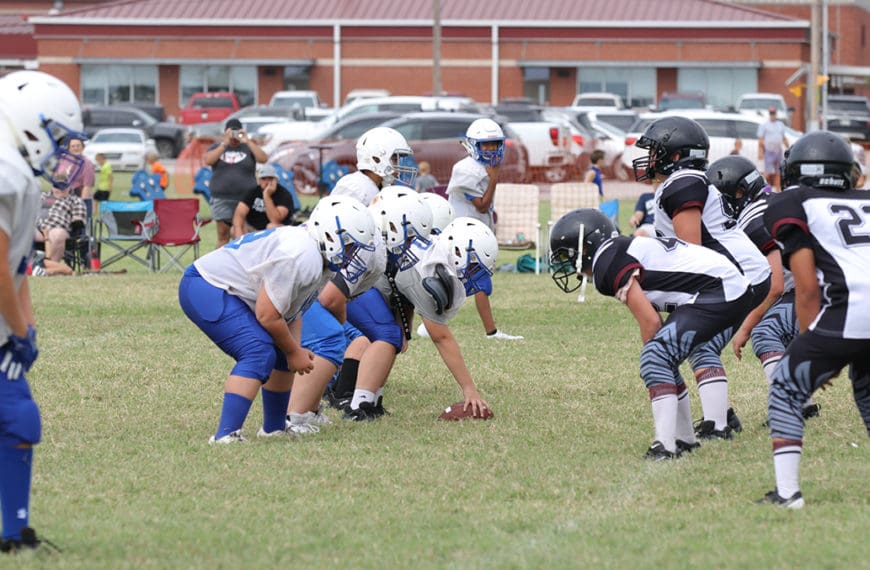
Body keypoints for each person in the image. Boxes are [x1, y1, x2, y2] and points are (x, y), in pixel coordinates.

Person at [550, 208, 753, 458]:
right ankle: (684, 440)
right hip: (725, 284)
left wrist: (655, 359)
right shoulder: (618, 250)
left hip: (719, 288)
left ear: (585, 246)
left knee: (656, 357)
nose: (567, 263)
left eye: (567, 254)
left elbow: (650, 321)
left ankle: (665, 446)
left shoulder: (606, 261)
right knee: (661, 356)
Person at [178, 195, 377, 443]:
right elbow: (267, 314)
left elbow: (292, 311)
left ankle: (273, 428)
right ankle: (226, 435)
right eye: (350, 245)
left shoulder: (317, 255)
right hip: (207, 286)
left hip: (225, 290)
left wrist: (292, 350)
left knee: (282, 354)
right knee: (258, 350)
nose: (353, 254)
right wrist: (295, 352)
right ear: (329, 234)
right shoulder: (302, 254)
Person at [633, 115, 771, 439]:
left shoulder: (682, 183)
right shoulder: (684, 182)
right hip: (741, 272)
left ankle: (718, 425)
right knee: (700, 342)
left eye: (655, 150)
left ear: (675, 155)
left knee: (701, 343)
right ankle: (721, 416)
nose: (649, 158)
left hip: (739, 275)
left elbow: (691, 252)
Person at [758, 131, 870, 509]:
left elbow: (805, 288)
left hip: (849, 308)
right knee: (867, 389)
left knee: (787, 387)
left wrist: (812, 347)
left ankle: (787, 494)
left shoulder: (792, 201)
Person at [0, 69, 85, 552]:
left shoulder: (19, 175)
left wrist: (26, 329)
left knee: (18, 420)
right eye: (54, 134)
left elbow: (15, 269)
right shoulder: (6, 172)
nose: (57, 148)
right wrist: (15, 331)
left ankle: (15, 536)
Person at [345, 215, 497, 421]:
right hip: (354, 284)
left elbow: (402, 290)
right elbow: (441, 338)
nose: (472, 275)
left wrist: (403, 326)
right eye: (473, 267)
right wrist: (469, 389)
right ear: (459, 252)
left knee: (393, 337)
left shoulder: (432, 255)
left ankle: (371, 401)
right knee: (386, 335)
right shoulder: (428, 271)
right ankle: (358, 406)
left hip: (367, 283)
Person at [707, 156, 821, 421]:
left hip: (826, 294)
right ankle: (803, 403)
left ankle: (788, 406)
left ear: (738, 193)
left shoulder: (753, 219)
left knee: (767, 330)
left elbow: (774, 286)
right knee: (784, 326)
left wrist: (746, 327)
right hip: (835, 286)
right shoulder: (776, 202)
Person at [446, 118, 523, 341]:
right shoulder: (466, 169)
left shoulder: (484, 167)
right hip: (463, 231)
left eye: (495, 144)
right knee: (480, 281)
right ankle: (491, 332)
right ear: (472, 145)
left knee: (456, 280)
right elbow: (480, 204)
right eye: (485, 145)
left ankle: (429, 322)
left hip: (475, 230)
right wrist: (494, 179)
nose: (491, 149)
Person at [202, 118, 268, 248]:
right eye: (231, 132)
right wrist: (224, 144)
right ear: (225, 132)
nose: (234, 136)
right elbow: (208, 161)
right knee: (223, 235)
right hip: (222, 198)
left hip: (246, 198)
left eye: (236, 132)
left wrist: (247, 141)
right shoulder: (217, 147)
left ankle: (243, 262)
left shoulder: (248, 147)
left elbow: (263, 158)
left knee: (244, 232)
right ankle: (220, 265)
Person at [330, 126, 417, 206]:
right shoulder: (356, 188)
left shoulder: (380, 186)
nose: (398, 165)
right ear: (376, 159)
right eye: (395, 160)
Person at [34, 173, 88, 263]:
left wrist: (77, 220)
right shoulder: (42, 196)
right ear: (53, 187)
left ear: (68, 187)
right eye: (57, 186)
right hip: (38, 229)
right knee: (19, 232)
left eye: (63, 186)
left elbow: (79, 219)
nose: (60, 189)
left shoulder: (75, 200)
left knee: (57, 235)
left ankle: (51, 267)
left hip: (58, 229)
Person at [231, 163, 295, 238]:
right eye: (263, 178)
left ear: (276, 180)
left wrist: (266, 196)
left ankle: (270, 249)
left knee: (271, 227)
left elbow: (275, 220)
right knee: (235, 228)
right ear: (259, 180)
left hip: (276, 231)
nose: (267, 182)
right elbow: (239, 214)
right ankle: (245, 248)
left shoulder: (284, 195)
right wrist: (239, 238)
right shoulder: (253, 192)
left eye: (270, 178)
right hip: (254, 229)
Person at [756, 106, 789, 191]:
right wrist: (760, 151)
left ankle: (778, 189)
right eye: (771, 113)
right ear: (769, 114)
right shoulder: (765, 125)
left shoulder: (780, 125)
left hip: (778, 151)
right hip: (769, 151)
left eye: (773, 113)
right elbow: (760, 139)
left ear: (776, 114)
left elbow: (783, 138)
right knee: (768, 172)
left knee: (779, 172)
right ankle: (763, 189)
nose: (772, 115)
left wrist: (788, 148)